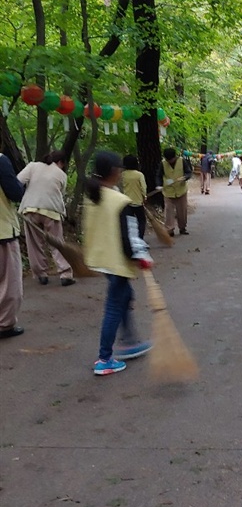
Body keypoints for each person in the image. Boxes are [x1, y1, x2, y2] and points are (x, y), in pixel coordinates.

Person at [83, 151, 153, 375]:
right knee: (114, 306)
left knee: (124, 296)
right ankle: (105, 358)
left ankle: (129, 341)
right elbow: (128, 237)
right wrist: (140, 256)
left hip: (101, 258)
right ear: (114, 171)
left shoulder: (93, 195)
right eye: (120, 170)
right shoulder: (120, 201)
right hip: (116, 260)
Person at [17, 150, 75, 287]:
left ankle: (40, 274)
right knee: (56, 243)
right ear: (61, 162)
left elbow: (17, 181)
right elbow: (60, 193)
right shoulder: (62, 175)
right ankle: (65, 273)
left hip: (30, 208)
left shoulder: (32, 166)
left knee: (34, 243)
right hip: (52, 210)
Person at [0, 153, 25, 338]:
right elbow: (15, 193)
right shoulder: (1, 160)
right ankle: (4, 324)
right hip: (3, 231)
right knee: (10, 283)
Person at [155, 147, 192, 236]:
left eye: (171, 159)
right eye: (168, 160)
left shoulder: (182, 161)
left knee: (182, 211)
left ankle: (182, 228)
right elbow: (158, 175)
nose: (169, 161)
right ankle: (169, 229)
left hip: (181, 190)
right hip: (168, 192)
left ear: (175, 157)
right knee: (168, 211)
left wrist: (185, 177)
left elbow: (189, 172)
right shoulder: (163, 164)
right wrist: (159, 185)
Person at [121, 154, 147, 239]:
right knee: (141, 221)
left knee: (130, 223)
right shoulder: (139, 175)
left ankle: (131, 239)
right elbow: (143, 188)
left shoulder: (122, 175)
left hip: (126, 202)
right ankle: (140, 238)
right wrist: (144, 196)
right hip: (138, 202)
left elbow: (120, 187)